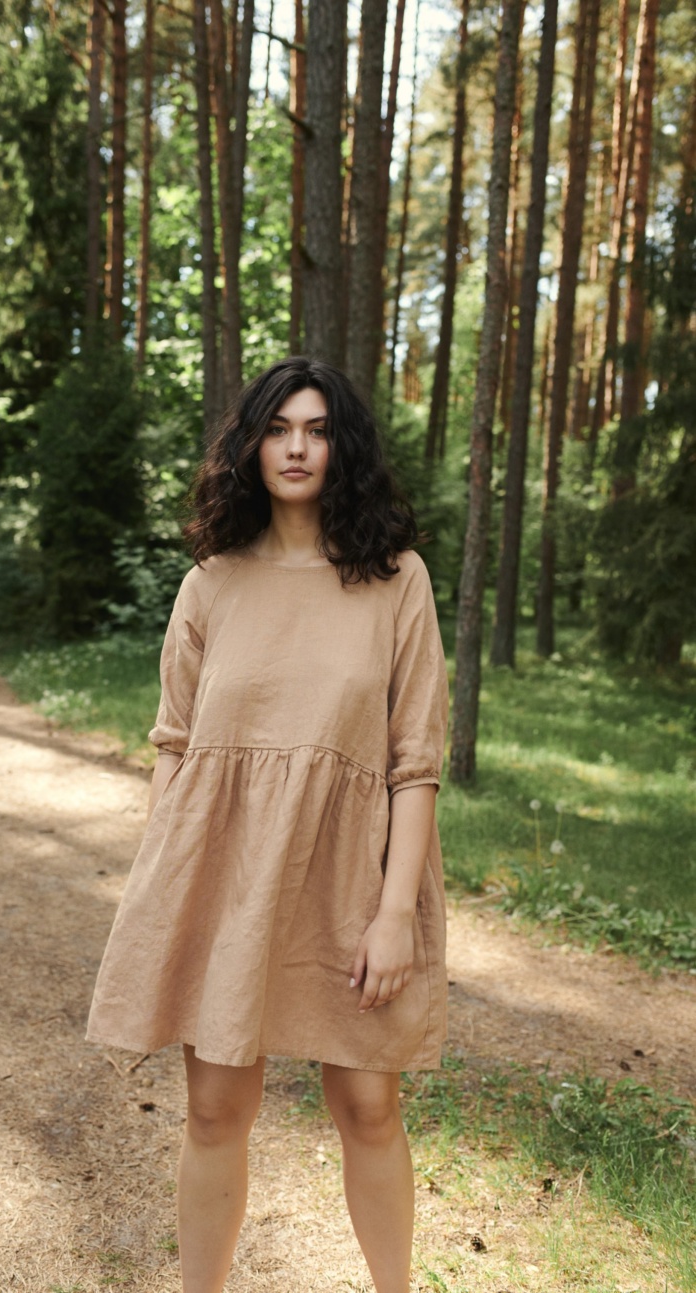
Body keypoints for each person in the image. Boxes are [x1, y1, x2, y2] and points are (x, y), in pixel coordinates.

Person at [87, 356, 449, 1293]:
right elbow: (175, 747)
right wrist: (170, 898)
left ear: (344, 446)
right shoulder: (210, 582)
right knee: (213, 1107)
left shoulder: (395, 579)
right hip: (225, 873)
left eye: (319, 428)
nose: (297, 446)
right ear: (251, 445)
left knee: (368, 1099)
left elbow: (415, 761)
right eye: (279, 427)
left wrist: (397, 910)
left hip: (352, 880)